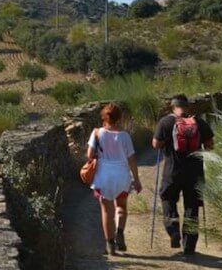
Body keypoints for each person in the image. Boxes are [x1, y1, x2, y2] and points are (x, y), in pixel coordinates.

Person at [152, 94, 214, 257]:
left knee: (168, 199)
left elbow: (156, 144)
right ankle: (189, 246)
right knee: (192, 207)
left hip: (172, 171)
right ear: (187, 107)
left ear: (172, 107)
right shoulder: (198, 122)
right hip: (194, 173)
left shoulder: (165, 122)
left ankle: (173, 231)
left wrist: (167, 143)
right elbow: (210, 145)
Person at [88, 103, 142, 256]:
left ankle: (110, 244)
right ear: (119, 118)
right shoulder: (125, 136)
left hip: (103, 176)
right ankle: (120, 233)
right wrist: (136, 179)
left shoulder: (97, 133)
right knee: (121, 207)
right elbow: (132, 158)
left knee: (106, 210)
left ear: (104, 117)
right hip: (122, 176)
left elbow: (89, 155)